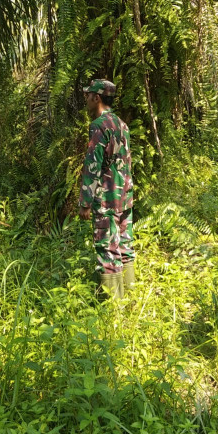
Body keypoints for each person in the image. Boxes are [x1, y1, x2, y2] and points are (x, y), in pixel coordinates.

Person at [78, 79, 135, 299]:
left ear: (97, 97)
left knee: (108, 249)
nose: (87, 100)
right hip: (124, 197)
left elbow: (92, 166)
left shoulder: (99, 126)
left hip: (107, 200)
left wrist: (85, 202)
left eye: (88, 95)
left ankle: (114, 311)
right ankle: (130, 297)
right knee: (124, 247)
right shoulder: (121, 124)